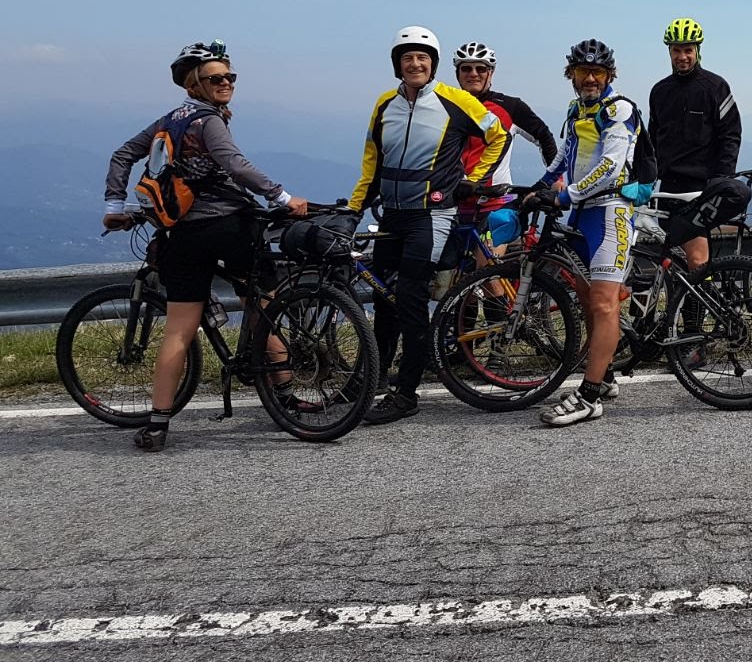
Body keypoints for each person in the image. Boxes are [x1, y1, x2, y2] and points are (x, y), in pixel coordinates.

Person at [102, 41, 310, 452]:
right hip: (231, 227)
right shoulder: (207, 120)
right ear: (194, 83)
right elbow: (235, 165)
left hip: (182, 234)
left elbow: (123, 154)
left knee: (179, 329)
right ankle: (283, 397)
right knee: (263, 303)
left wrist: (114, 205)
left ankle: (157, 425)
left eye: (230, 77)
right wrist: (283, 197)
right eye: (216, 78)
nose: (226, 83)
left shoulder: (169, 119)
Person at [349, 26, 507, 425]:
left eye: (422, 58)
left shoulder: (453, 99)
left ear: (433, 64)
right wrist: (354, 207)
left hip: (432, 215)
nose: (415, 64)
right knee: (384, 297)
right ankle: (375, 377)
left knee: (411, 297)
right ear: (397, 65)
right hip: (393, 215)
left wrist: (472, 180)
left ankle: (406, 392)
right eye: (407, 58)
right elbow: (372, 159)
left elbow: (497, 135)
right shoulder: (385, 104)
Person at [527, 39, 650, 428]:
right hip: (582, 216)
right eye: (583, 72)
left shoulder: (619, 109)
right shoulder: (578, 108)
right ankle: (606, 373)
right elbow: (566, 153)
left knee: (603, 303)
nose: (591, 78)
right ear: (572, 76)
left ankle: (591, 395)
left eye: (598, 72)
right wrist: (540, 186)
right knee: (584, 295)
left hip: (610, 212)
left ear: (610, 75)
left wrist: (568, 194)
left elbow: (612, 168)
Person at [451, 40, 560, 262]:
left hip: (496, 205)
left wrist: (554, 179)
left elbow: (544, 137)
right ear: (458, 73)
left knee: (486, 273)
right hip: (454, 206)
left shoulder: (510, 107)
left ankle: (500, 299)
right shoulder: (446, 105)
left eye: (480, 68)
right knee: (456, 284)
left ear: (491, 73)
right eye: (466, 68)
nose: (473, 74)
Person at [648, 18, 742, 274]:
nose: (683, 57)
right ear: (669, 51)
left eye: (688, 50)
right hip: (667, 189)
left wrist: (722, 178)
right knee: (670, 260)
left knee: (697, 261)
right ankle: (676, 312)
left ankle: (696, 314)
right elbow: (652, 139)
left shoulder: (715, 86)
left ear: (698, 51)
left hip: (700, 188)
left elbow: (731, 134)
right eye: (677, 51)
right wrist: (643, 178)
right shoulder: (659, 91)